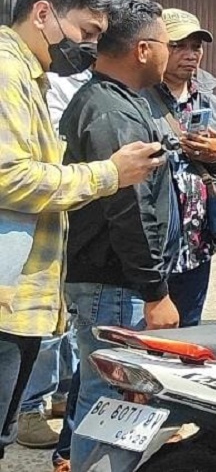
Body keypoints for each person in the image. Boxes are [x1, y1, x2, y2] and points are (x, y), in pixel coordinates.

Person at [0, 0, 160, 465]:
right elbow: (11, 177)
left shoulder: (34, 77)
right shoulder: (6, 72)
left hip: (21, 301)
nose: (90, 47)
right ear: (43, 13)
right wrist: (108, 174)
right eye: (87, 32)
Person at [59, 0, 177, 466]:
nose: (171, 55)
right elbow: (129, 207)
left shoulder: (116, 101)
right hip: (115, 282)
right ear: (144, 50)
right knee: (117, 394)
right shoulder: (112, 110)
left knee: (105, 390)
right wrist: (154, 291)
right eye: (168, 45)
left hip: (111, 280)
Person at [145, 9, 216, 326]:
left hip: (197, 247)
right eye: (178, 46)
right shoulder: (139, 99)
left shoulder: (209, 102)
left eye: (196, 47)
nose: (190, 55)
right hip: (154, 251)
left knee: (187, 338)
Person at [16, 70, 90, 452]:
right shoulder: (38, 82)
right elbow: (27, 173)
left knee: (66, 320)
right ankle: (30, 407)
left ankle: (59, 391)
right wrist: (106, 173)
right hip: (35, 224)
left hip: (65, 222)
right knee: (39, 327)